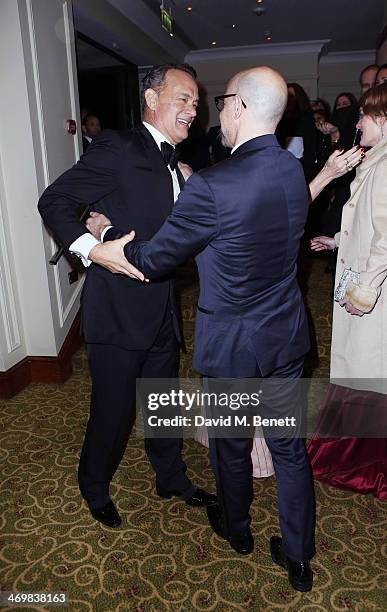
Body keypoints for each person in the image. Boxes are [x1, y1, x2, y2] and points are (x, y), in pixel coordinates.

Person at [87, 66, 317, 592]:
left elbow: (152, 259)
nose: (215, 114)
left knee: (231, 446)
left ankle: (237, 532)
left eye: (220, 103)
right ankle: (299, 557)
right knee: (288, 447)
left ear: (237, 107)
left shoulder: (214, 186)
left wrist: (106, 232)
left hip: (234, 346)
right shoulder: (290, 169)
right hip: (284, 335)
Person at [38, 63, 217, 530]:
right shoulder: (118, 145)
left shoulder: (176, 162)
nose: (193, 110)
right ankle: (93, 486)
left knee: (163, 403)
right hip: (116, 311)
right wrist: (93, 249)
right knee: (113, 412)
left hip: (162, 308)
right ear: (152, 100)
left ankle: (171, 477)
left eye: (196, 103)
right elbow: (53, 200)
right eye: (184, 99)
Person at [309, 83, 387, 501]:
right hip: (363, 279)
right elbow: (369, 224)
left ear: (383, 120)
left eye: (363, 117)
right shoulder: (374, 161)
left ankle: (362, 461)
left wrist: (363, 292)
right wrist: (337, 241)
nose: (357, 123)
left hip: (373, 292)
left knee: (367, 368)